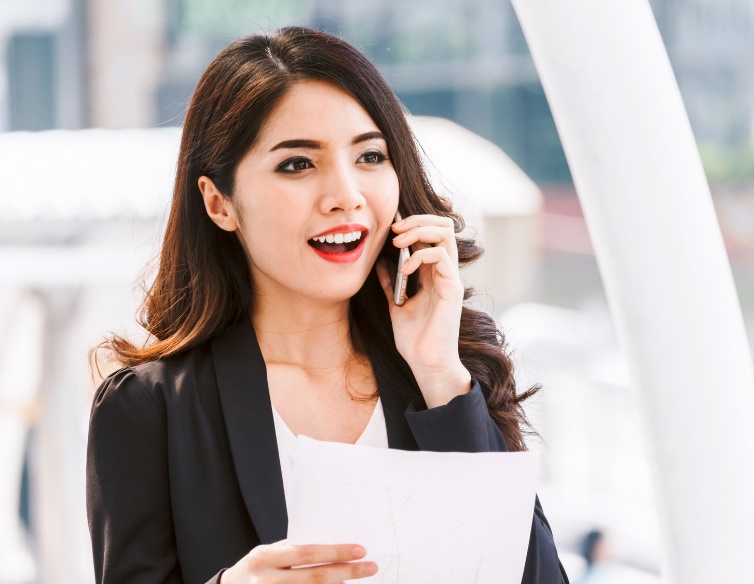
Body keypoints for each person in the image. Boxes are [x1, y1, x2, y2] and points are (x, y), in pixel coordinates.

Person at [85, 25, 568, 584]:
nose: (346, 196)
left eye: (370, 156)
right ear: (220, 204)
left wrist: (440, 375)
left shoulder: (448, 380)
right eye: (298, 164)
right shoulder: (150, 409)